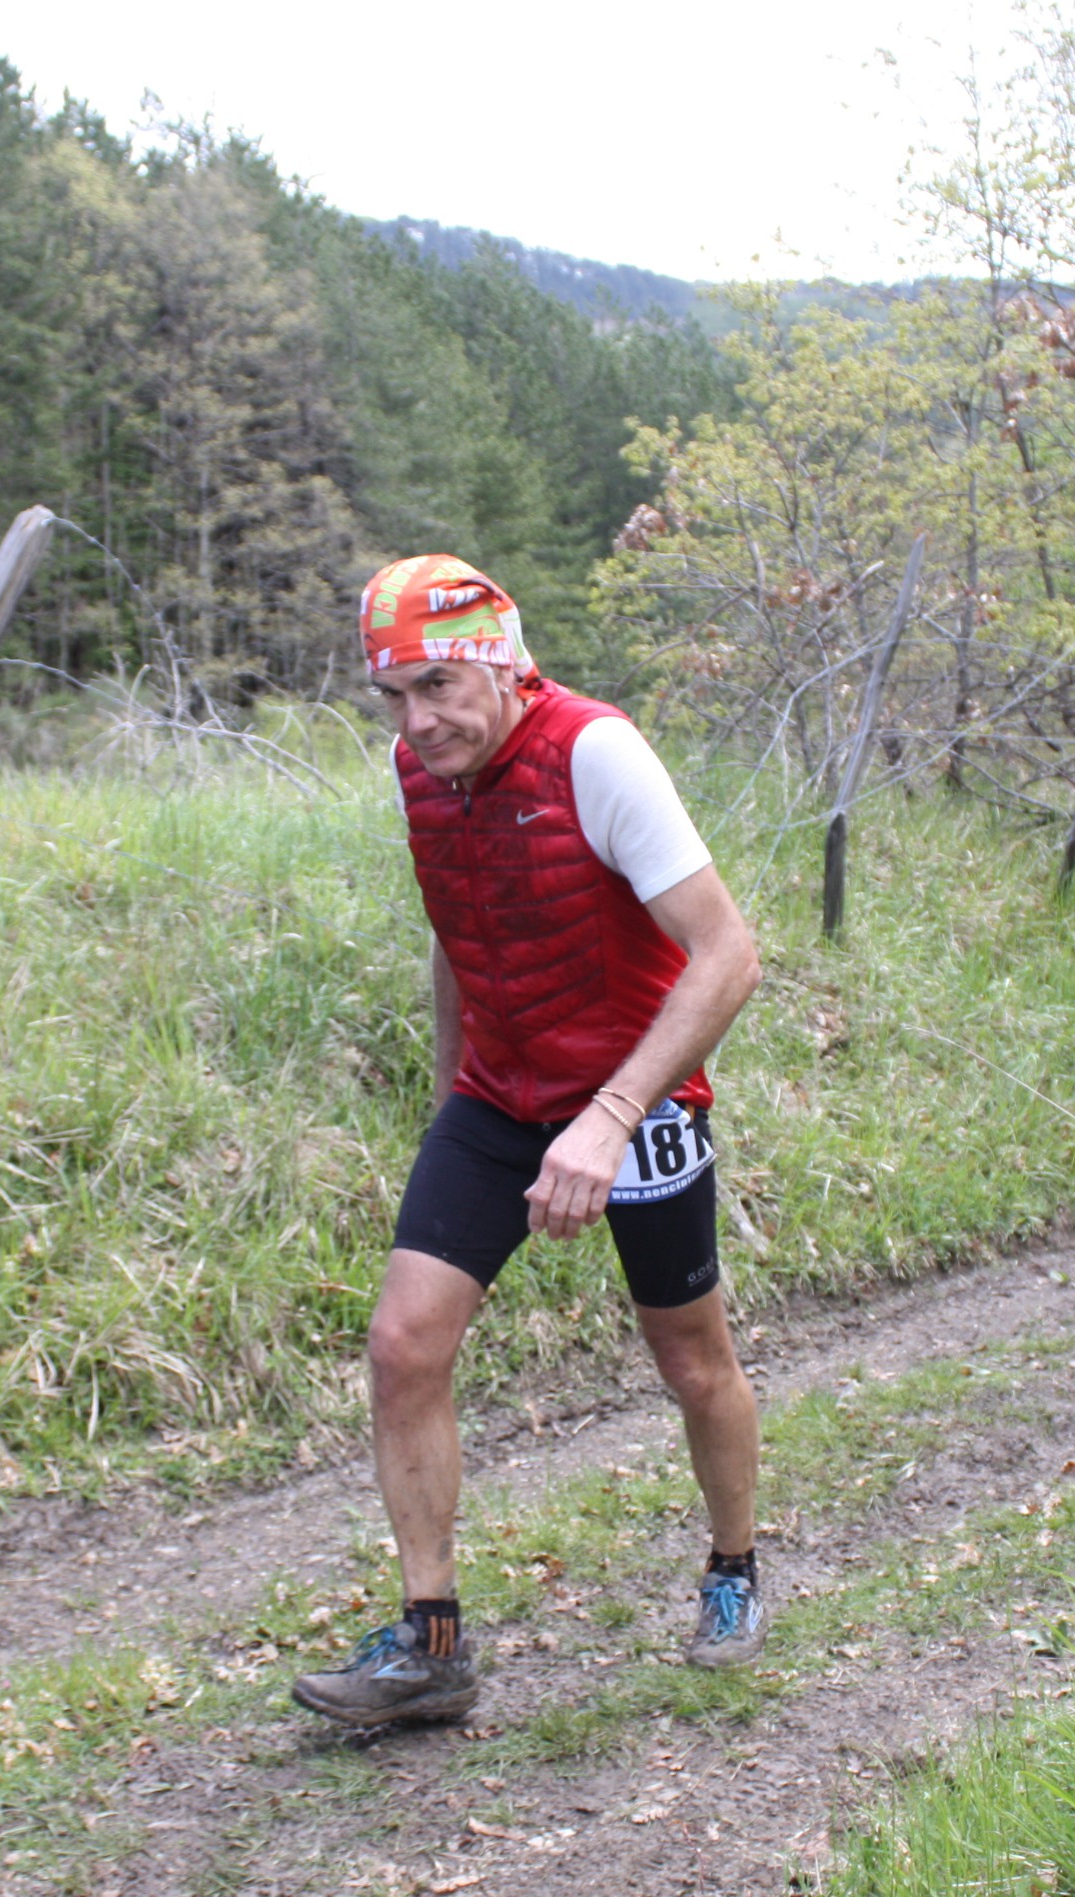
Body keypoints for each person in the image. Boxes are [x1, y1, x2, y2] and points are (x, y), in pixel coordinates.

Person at [291, 555, 768, 1728]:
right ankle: (431, 1645)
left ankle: (733, 1570)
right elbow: (461, 930)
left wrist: (610, 1116)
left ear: (499, 658)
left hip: (637, 1098)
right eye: (393, 696)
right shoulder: (424, 770)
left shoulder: (596, 753)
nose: (417, 722)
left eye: (439, 685)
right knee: (404, 1344)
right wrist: (457, 1090)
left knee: (690, 1360)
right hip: (499, 1097)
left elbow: (728, 956)